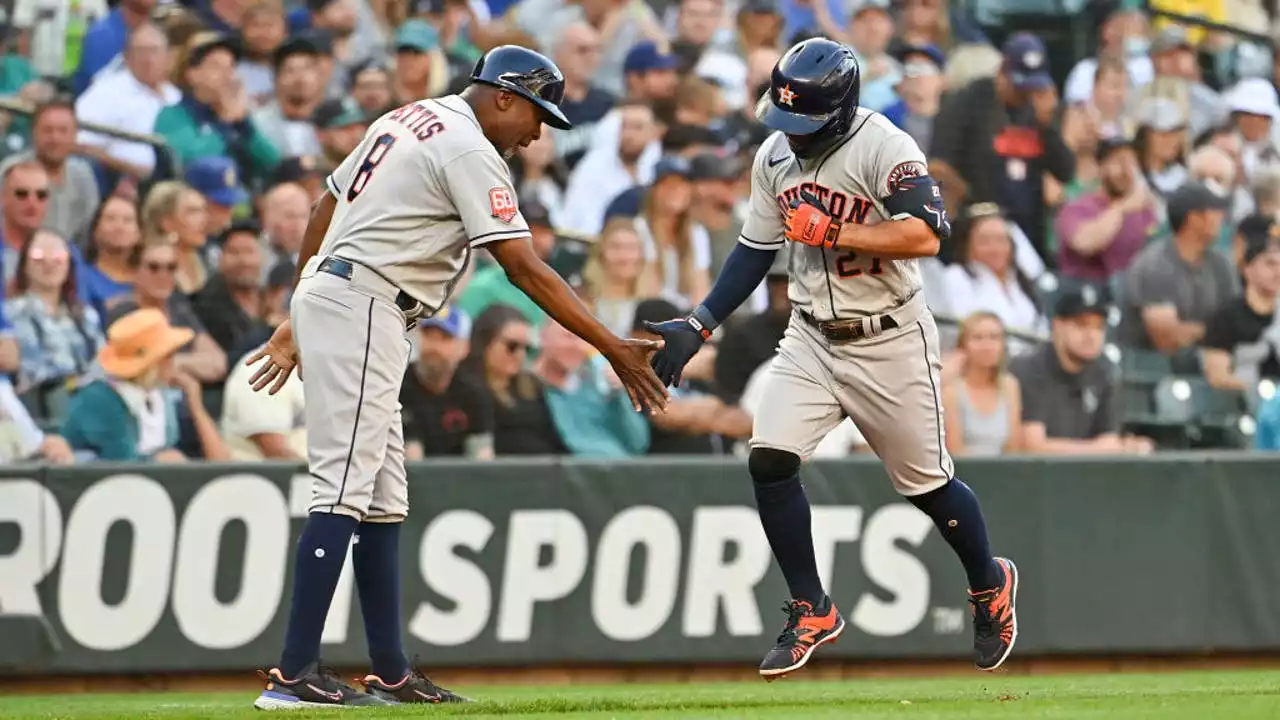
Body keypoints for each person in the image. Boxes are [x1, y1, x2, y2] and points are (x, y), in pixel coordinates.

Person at [245, 45, 667, 709]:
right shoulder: (470, 148)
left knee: (382, 498)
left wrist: (302, 300)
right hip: (365, 302)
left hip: (354, 296)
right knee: (344, 488)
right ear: (503, 95)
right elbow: (523, 268)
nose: (537, 133)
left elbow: (327, 207)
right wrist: (610, 345)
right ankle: (294, 674)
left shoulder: (408, 116)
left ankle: (389, 671)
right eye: (536, 114)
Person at [643, 39, 1016, 680]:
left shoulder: (886, 146)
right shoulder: (773, 156)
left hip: (889, 336)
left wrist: (837, 230)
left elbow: (925, 234)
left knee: (927, 487)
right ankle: (811, 607)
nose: (789, 135)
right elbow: (755, 250)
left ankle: (988, 583)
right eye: (782, 119)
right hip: (812, 332)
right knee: (768, 457)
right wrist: (699, 323)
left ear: (841, 110)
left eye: (803, 122)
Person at [940, 312, 1021, 456]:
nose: (987, 345)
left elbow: (1013, 448)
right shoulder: (951, 390)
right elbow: (954, 451)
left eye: (994, 337)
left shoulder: (1010, 385)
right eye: (978, 338)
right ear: (963, 345)